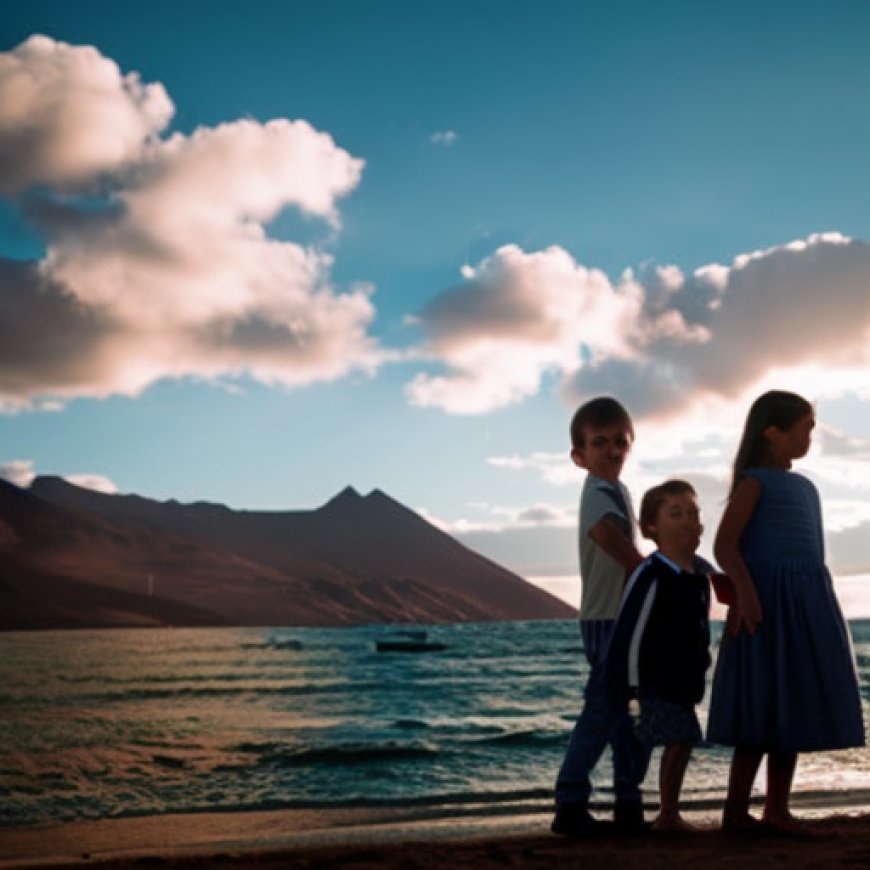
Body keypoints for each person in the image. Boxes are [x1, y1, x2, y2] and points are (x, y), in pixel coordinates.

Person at [707, 390, 864, 835]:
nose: (810, 436)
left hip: (807, 603)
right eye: (805, 427)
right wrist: (747, 595)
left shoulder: (805, 485)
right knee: (762, 702)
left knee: (791, 703)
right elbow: (724, 546)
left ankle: (777, 809)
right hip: (767, 604)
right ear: (772, 433)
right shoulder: (754, 482)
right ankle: (736, 811)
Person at [552, 397, 650, 837]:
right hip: (606, 618)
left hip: (623, 617)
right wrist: (651, 572)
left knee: (627, 713)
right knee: (603, 710)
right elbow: (611, 539)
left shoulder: (619, 492)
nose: (611, 450)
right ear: (580, 456)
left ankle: (628, 802)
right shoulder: (595, 491)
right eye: (599, 443)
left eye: (620, 442)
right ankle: (570, 803)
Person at [606, 480, 711, 832]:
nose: (687, 520)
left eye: (693, 513)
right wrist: (632, 686)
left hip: (685, 680)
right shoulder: (652, 574)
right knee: (668, 740)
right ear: (651, 526)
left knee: (677, 741)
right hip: (652, 680)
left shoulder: (700, 575)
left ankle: (660, 812)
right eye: (675, 513)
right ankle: (660, 813)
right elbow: (630, 630)